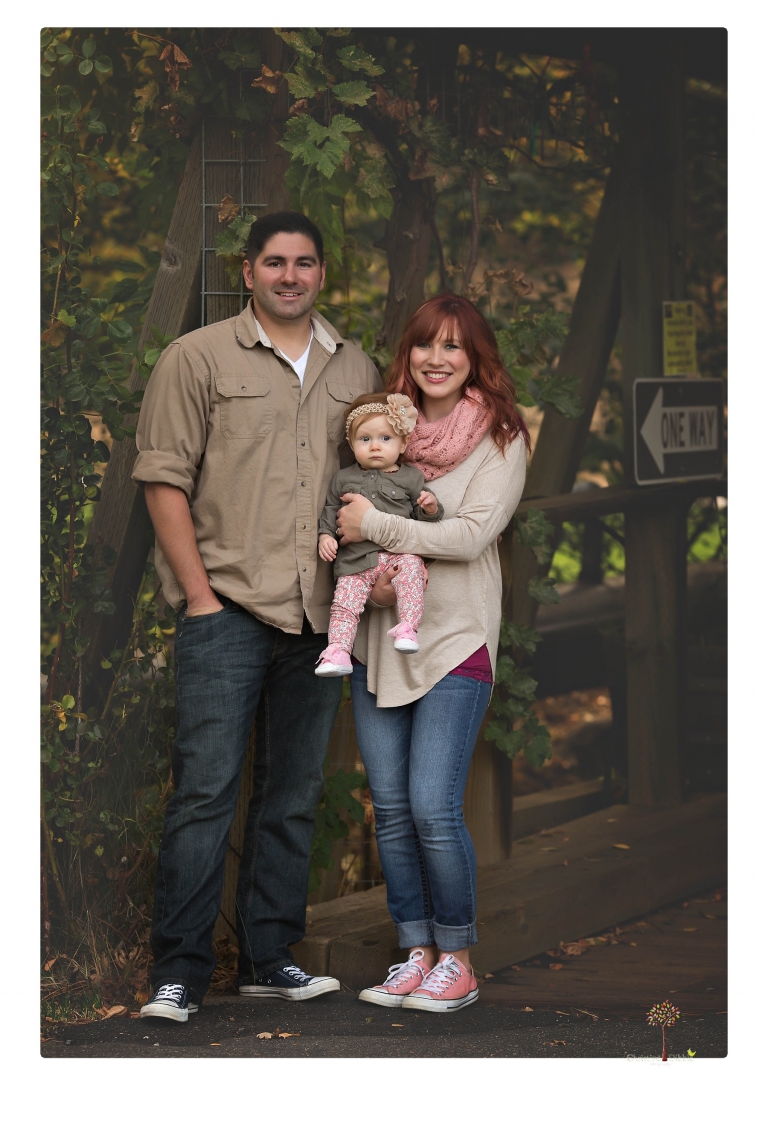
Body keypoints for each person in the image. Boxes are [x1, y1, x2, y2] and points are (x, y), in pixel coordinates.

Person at [131, 211, 382, 1021]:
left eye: (304, 263)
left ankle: (269, 957)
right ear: (248, 272)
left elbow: (375, 480)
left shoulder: (358, 368)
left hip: (321, 616)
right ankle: (179, 971)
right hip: (229, 609)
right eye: (274, 262)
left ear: (320, 274)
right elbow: (163, 479)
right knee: (205, 792)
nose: (289, 276)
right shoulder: (195, 358)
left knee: (295, 792)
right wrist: (200, 598)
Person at [334, 293, 530, 1013]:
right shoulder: (380, 430)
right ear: (407, 354)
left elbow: (471, 536)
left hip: (455, 642)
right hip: (375, 643)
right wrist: (369, 566)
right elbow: (340, 522)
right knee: (388, 809)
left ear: (475, 358)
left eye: (454, 346)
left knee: (432, 808)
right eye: (425, 345)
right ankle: (414, 951)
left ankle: (458, 958)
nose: (437, 359)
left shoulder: (502, 438)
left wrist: (380, 526)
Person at [315, 391, 444, 676]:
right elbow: (330, 509)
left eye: (385, 439)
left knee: (411, 570)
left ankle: (408, 627)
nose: (375, 446)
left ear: (402, 443)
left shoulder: (411, 478)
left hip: (396, 557)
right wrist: (326, 536)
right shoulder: (343, 477)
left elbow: (425, 518)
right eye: (365, 439)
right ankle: (337, 651)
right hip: (355, 563)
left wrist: (430, 507)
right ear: (351, 443)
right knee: (344, 606)